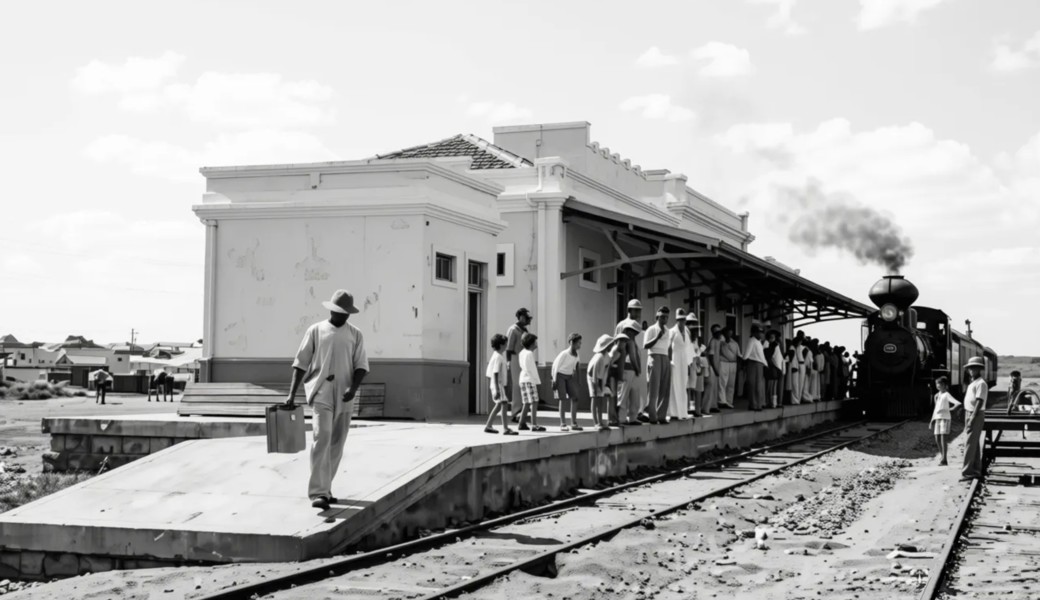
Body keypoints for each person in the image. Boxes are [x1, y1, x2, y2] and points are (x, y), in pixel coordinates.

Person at [286, 289, 370, 510]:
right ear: (332, 310)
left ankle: (326, 487)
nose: (343, 315)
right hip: (321, 392)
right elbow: (300, 363)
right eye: (340, 311)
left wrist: (353, 388)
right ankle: (318, 493)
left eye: (347, 312)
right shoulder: (316, 330)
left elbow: (361, 366)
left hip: (345, 394)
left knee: (337, 442)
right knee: (321, 437)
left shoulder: (355, 334)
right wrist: (292, 394)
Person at [615, 299, 647, 422]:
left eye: (639, 310)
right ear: (629, 310)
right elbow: (618, 345)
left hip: (635, 364)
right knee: (623, 395)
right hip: (625, 364)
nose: (638, 313)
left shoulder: (637, 326)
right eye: (636, 310)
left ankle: (633, 417)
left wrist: (638, 365)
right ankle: (621, 418)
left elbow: (637, 348)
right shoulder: (622, 325)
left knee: (635, 394)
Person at [961, 356, 989, 481]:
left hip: (975, 414)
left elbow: (979, 401)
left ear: (979, 369)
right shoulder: (974, 382)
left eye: (974, 368)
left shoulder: (981, 383)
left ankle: (967, 472)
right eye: (970, 368)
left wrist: (972, 417)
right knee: (974, 444)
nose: (971, 370)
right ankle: (976, 470)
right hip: (970, 413)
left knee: (969, 443)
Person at [644, 307, 673, 424]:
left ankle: (661, 415)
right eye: (662, 317)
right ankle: (652, 416)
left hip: (665, 358)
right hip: (654, 356)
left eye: (666, 317)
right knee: (653, 388)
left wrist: (669, 360)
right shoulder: (651, 329)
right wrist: (657, 337)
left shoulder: (668, 331)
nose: (664, 319)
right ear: (657, 317)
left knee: (665, 388)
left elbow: (669, 347)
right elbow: (646, 345)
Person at [483, 334, 517, 436]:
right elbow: (495, 372)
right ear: (501, 345)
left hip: (497, 384)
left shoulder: (496, 356)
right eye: (506, 343)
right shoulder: (498, 357)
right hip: (498, 384)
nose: (507, 345)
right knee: (504, 404)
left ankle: (488, 425)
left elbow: (490, 373)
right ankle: (505, 428)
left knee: (499, 405)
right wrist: (497, 389)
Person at [588, 334, 622, 431]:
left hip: (601, 378)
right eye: (611, 344)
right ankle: (596, 422)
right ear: (607, 345)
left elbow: (606, 370)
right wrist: (596, 387)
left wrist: (604, 385)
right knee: (595, 398)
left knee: (601, 399)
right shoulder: (599, 357)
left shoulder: (607, 356)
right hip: (593, 378)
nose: (612, 345)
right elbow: (595, 373)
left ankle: (600, 421)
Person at [505, 308, 533, 423]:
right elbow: (508, 348)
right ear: (521, 317)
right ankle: (515, 412)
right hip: (515, 358)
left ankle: (523, 411)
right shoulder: (513, 329)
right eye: (526, 318)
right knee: (517, 385)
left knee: (524, 384)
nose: (527, 321)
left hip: (523, 358)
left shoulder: (524, 330)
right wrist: (508, 362)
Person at [551, 333, 584, 431]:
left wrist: (579, 380)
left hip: (569, 377)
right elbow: (555, 366)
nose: (580, 345)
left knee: (575, 398)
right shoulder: (564, 354)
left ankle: (573, 423)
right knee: (563, 399)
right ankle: (563, 424)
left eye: (580, 343)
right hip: (560, 376)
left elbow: (578, 366)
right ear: (571, 343)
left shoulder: (577, 354)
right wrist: (554, 380)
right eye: (578, 343)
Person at [516, 332, 546, 432]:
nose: (536, 343)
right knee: (534, 401)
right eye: (535, 341)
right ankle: (534, 424)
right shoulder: (529, 354)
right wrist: (537, 381)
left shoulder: (521, 353)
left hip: (523, 379)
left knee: (526, 402)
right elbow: (532, 369)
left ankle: (521, 423)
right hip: (529, 379)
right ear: (531, 343)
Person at [930, 375, 962, 466]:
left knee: (943, 439)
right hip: (938, 418)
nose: (937, 385)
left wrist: (951, 409)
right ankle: (942, 456)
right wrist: (932, 420)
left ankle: (944, 459)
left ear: (944, 385)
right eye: (936, 384)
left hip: (945, 418)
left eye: (939, 384)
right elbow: (936, 409)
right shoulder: (936, 395)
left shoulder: (946, 394)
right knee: (937, 438)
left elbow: (958, 403)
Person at [667, 308, 690, 421]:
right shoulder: (672, 331)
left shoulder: (687, 331)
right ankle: (674, 412)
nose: (682, 322)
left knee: (683, 384)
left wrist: (689, 363)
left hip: (684, 360)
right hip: (675, 359)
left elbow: (688, 347)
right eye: (680, 319)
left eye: (684, 319)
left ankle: (683, 411)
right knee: (675, 384)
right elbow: (668, 347)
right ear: (677, 320)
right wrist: (670, 360)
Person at [742, 325, 767, 411]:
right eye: (758, 332)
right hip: (753, 364)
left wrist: (765, 364)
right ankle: (754, 405)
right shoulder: (752, 341)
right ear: (754, 333)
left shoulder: (758, 341)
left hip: (758, 364)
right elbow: (746, 355)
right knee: (754, 385)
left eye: (761, 332)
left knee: (758, 386)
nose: (760, 334)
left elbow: (761, 355)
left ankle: (758, 404)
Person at [685, 313, 704, 417]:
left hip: (695, 363)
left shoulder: (695, 338)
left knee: (697, 388)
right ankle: (687, 409)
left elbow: (696, 353)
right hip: (687, 364)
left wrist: (698, 365)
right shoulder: (685, 337)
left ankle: (697, 410)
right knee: (687, 388)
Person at [718, 328, 740, 409]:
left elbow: (738, 355)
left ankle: (729, 401)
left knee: (731, 384)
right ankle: (722, 401)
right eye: (727, 333)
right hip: (723, 363)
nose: (729, 335)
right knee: (723, 382)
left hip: (733, 364)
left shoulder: (735, 343)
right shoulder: (721, 342)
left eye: (731, 333)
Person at [705, 324, 722, 413]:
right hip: (712, 367)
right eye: (717, 332)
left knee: (716, 388)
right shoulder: (712, 341)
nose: (720, 334)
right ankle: (711, 406)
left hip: (716, 366)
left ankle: (714, 405)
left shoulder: (718, 341)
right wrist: (715, 370)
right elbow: (711, 357)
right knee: (712, 388)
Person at [765, 330, 784, 409]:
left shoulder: (772, 345)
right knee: (772, 387)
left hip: (774, 367)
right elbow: (770, 357)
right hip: (774, 367)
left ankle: (772, 403)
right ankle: (773, 403)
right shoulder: (774, 345)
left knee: (772, 386)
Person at [790, 332, 806, 405]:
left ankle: (797, 399)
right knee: (795, 384)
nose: (800, 343)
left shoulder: (798, 348)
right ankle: (795, 399)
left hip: (799, 365)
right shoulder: (793, 348)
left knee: (799, 384)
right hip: (796, 366)